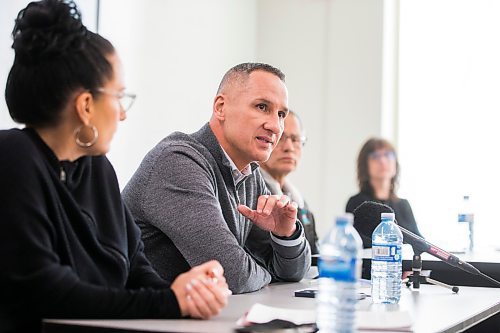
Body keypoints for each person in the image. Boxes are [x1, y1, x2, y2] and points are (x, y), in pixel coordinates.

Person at [0, 1, 229, 332]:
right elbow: (47, 292)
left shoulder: (98, 169)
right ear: (86, 105)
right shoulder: (14, 158)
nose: (122, 113)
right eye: (119, 96)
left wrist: (187, 293)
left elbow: (136, 268)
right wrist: (170, 302)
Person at [122, 63, 311, 294]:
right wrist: (266, 272)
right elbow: (233, 274)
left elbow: (293, 273)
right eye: (262, 107)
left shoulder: (249, 173)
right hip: (141, 321)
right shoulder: (177, 162)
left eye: (281, 114)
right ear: (221, 107)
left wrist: (286, 235)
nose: (274, 126)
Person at [259, 111, 319, 254]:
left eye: (295, 139)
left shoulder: (299, 201)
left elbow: (314, 253)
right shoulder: (252, 192)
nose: (289, 148)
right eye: (281, 138)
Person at [346, 138, 423, 247]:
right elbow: (359, 243)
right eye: (375, 156)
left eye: (388, 155)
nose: (382, 161)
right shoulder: (357, 203)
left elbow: (419, 242)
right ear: (365, 164)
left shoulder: (403, 205)